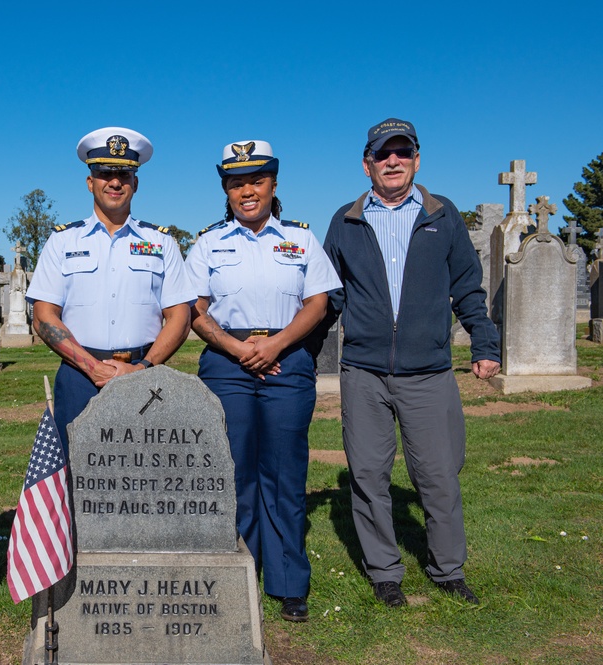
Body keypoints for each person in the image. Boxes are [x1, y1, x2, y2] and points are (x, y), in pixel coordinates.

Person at [322, 118, 500, 608]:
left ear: (417, 159)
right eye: (384, 154)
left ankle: (448, 569)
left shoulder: (443, 216)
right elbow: (329, 296)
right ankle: (385, 571)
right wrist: (300, 350)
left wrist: (484, 343)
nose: (393, 161)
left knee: (439, 475)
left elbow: (467, 286)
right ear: (367, 165)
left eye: (403, 152)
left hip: (429, 372)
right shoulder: (346, 220)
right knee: (369, 474)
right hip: (364, 372)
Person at [185, 140, 341, 622]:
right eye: (236, 183)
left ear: (273, 184)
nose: (246, 190)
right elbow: (194, 306)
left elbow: (318, 302)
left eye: (256, 180)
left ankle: (289, 582)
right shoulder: (209, 242)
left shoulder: (301, 240)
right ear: (226, 190)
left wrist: (273, 347)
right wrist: (238, 350)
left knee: (284, 471)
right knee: (230, 472)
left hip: (286, 360)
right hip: (226, 363)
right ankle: (235, 574)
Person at [26, 127, 195, 456]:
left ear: (135, 182)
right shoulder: (63, 242)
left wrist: (140, 368)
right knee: (77, 478)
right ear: (91, 182)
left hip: (146, 374)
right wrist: (92, 367)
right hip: (79, 376)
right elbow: (44, 316)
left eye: (124, 174)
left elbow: (179, 317)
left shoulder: (161, 243)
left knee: (145, 476)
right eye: (105, 173)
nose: (115, 182)